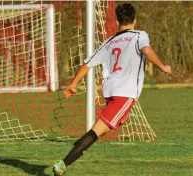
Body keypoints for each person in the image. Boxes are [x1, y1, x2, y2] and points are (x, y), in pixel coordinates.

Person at [52, 3, 172, 176]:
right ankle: (63, 164)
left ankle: (75, 150)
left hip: (110, 91)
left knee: (114, 124)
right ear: (135, 20)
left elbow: (87, 64)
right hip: (125, 94)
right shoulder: (139, 35)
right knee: (96, 132)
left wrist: (73, 84)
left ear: (117, 21)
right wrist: (162, 66)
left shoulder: (109, 41)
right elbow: (146, 50)